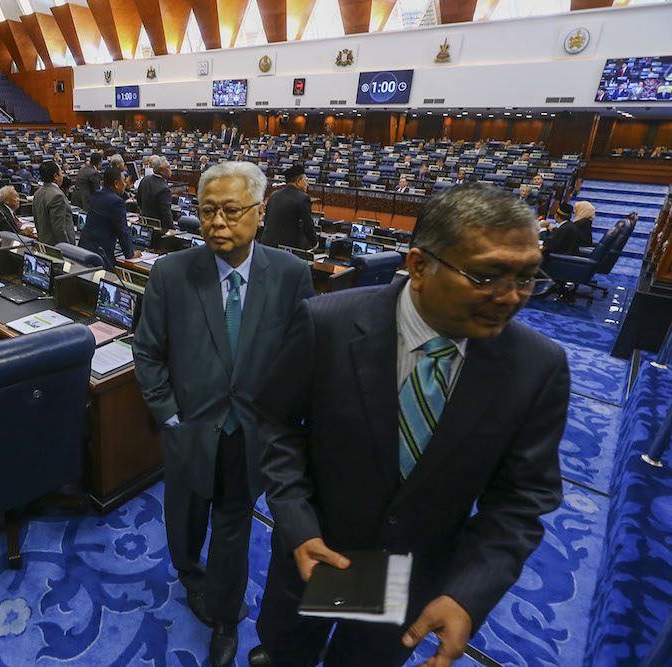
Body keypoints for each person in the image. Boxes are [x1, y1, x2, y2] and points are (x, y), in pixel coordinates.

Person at [249, 182, 568, 667]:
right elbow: (276, 424)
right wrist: (294, 520)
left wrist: (467, 594)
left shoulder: (538, 367)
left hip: (411, 579)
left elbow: (521, 502)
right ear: (420, 266)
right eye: (486, 277)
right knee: (286, 652)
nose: (510, 298)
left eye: (527, 278)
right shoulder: (326, 322)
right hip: (313, 553)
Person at [134, 160, 314, 667]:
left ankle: (225, 615)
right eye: (207, 210)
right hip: (189, 431)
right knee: (185, 523)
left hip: (251, 437)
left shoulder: (292, 274)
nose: (217, 223)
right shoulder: (171, 272)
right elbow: (147, 353)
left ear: (260, 213)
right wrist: (169, 416)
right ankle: (191, 576)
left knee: (234, 530)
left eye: (231, 211)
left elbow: (301, 358)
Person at [78, 167, 140, 270]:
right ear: (116, 183)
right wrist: (130, 254)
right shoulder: (117, 202)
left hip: (85, 246)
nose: (125, 184)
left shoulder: (97, 195)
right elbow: (122, 231)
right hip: (101, 253)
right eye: (123, 182)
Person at [261, 164, 315, 250]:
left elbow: (267, 220)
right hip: (286, 248)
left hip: (266, 244)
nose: (307, 184)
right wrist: (314, 243)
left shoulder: (273, 195)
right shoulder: (303, 198)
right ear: (298, 181)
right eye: (305, 180)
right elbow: (308, 226)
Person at [32, 160, 75, 245]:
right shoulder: (57, 196)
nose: (62, 175)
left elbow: (37, 221)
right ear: (56, 176)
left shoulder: (37, 193)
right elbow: (59, 228)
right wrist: (67, 249)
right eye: (61, 172)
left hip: (44, 242)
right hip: (58, 247)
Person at [137, 156, 174, 231]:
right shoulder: (164, 189)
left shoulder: (145, 180)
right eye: (168, 167)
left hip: (144, 225)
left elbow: (138, 200)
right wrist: (174, 230)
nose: (170, 170)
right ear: (161, 171)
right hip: (159, 230)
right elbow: (166, 215)